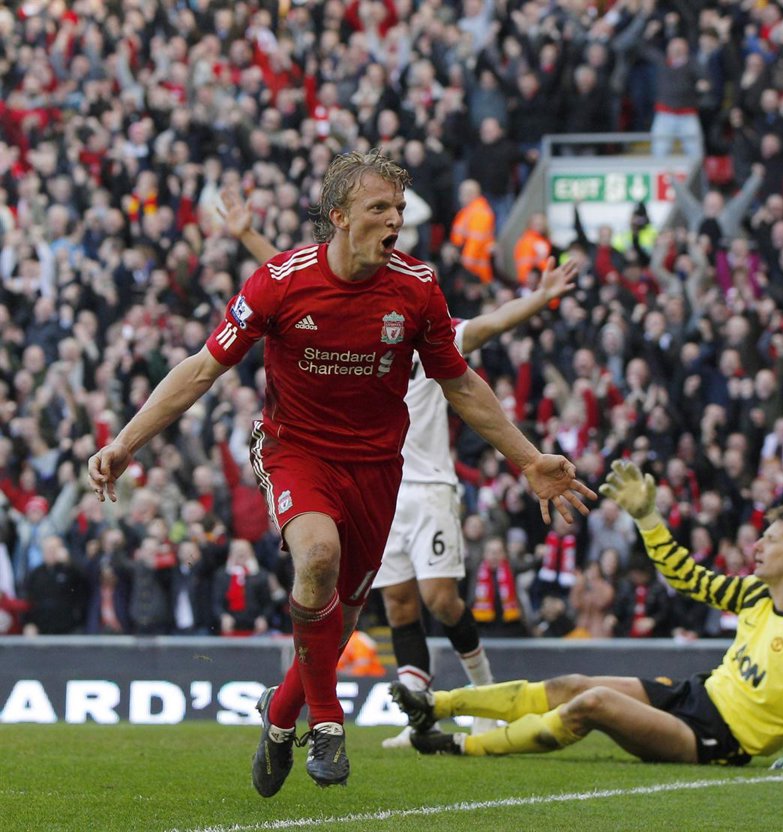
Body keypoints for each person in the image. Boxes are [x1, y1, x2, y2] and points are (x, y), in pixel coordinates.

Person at [87, 149, 594, 797]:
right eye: (380, 208)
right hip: (295, 450)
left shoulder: (417, 287)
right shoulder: (279, 280)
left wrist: (528, 459)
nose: (395, 220)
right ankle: (327, 722)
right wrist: (126, 442)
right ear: (340, 217)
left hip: (379, 468)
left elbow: (461, 383)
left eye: (399, 209)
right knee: (318, 556)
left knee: (342, 621)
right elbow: (201, 370)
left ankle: (279, 716)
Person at [218, 184, 579, 749]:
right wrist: (246, 235)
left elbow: (490, 327)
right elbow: (295, 280)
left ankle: (485, 696)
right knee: (397, 603)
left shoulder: (423, 319)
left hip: (425, 482)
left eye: (397, 214)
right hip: (366, 478)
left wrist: (540, 297)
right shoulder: (341, 314)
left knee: (438, 598)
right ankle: (416, 717)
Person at [392, 459, 783, 766]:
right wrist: (648, 518)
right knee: (572, 684)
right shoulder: (754, 594)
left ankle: (461, 744)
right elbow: (687, 577)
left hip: (720, 738)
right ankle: (436, 704)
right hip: (696, 696)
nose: (757, 546)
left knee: (593, 704)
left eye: (771, 540)